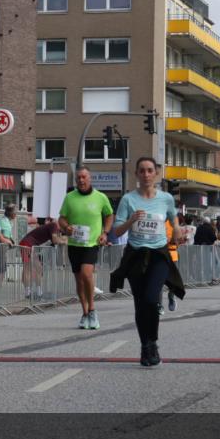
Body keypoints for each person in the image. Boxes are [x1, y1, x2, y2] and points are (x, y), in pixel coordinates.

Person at [109, 157, 186, 367]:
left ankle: (152, 341)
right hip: (136, 254)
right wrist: (131, 220)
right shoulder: (128, 199)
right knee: (141, 303)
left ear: (156, 174)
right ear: (137, 174)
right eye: (141, 171)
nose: (146, 174)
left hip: (159, 254)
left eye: (150, 170)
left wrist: (177, 229)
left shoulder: (166, 198)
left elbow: (173, 217)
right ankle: (146, 346)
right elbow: (116, 231)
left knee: (152, 299)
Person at [58, 167, 114, 330]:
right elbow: (61, 218)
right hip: (75, 244)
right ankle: (84, 313)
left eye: (84, 177)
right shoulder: (69, 198)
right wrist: (66, 227)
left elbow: (109, 215)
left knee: (86, 273)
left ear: (90, 178)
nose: (81, 181)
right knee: (79, 280)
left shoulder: (100, 197)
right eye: (78, 178)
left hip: (91, 243)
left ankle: (92, 310)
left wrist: (105, 233)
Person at [18, 217, 65, 300]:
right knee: (27, 268)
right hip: (27, 244)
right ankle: (28, 292)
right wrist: (64, 241)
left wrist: (61, 239)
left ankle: (38, 292)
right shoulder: (54, 225)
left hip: (30, 244)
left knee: (38, 268)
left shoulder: (54, 227)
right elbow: (55, 240)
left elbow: (55, 239)